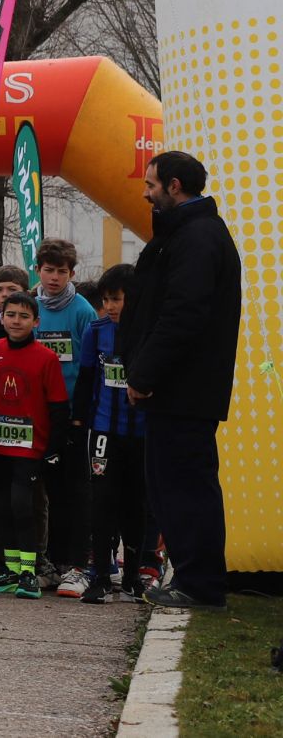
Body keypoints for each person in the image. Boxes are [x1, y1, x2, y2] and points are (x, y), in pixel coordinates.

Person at [124, 150, 241, 611]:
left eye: (151, 184)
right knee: (171, 487)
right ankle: (194, 578)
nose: (145, 192)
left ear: (175, 186)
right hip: (177, 391)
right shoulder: (189, 233)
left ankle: (200, 584)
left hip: (182, 391)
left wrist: (145, 373)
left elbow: (182, 315)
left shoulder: (197, 237)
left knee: (185, 487)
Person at [0, 292, 67, 599]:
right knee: (0, 507)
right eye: (11, 315)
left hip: (30, 448)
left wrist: (54, 448)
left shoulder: (47, 357)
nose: (16, 321)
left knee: (23, 506)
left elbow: (58, 407)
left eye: (24, 316)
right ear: (2, 317)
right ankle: (8, 568)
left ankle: (30, 571)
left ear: (36, 322)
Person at [78, 264, 148, 603]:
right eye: (106, 299)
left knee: (137, 503)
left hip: (141, 433)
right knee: (102, 501)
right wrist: (79, 422)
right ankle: (101, 576)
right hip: (103, 431)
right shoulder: (97, 331)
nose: (110, 306)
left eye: (117, 299)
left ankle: (134, 576)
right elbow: (86, 378)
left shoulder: (152, 330)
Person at [33, 237, 97, 597]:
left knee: (75, 492)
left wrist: (79, 416)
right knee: (47, 492)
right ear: (38, 270)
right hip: (38, 417)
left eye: (61, 271)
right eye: (48, 270)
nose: (54, 277)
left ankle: (77, 563)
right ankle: (52, 562)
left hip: (72, 417)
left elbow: (88, 368)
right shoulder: (30, 306)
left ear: (72, 274)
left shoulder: (83, 311)